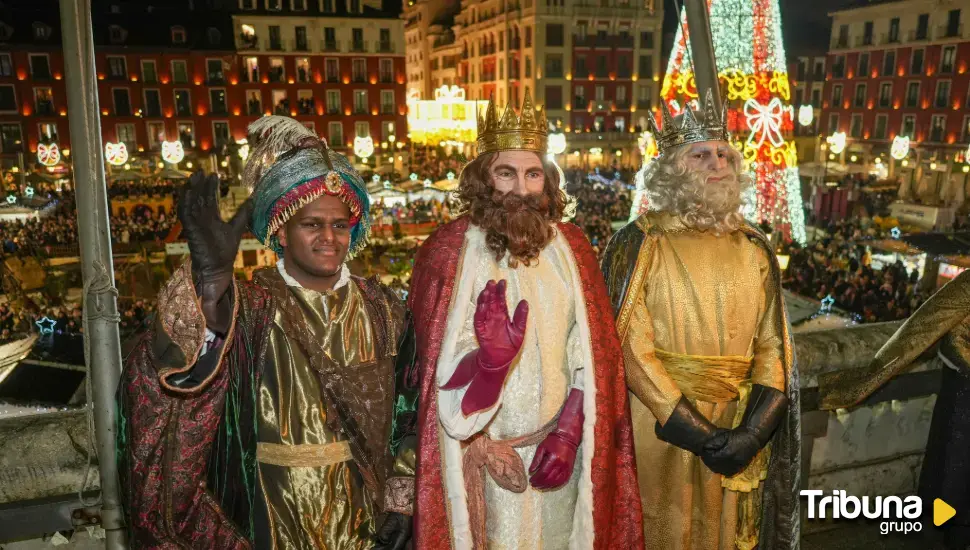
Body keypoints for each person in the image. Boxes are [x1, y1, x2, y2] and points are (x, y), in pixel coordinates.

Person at [117, 116, 417, 549]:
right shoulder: (251, 307)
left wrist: (402, 498)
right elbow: (172, 365)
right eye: (312, 224)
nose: (329, 237)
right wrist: (210, 280)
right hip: (275, 512)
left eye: (339, 224)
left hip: (367, 511)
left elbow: (414, 405)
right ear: (280, 229)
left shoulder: (385, 309)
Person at [408, 91, 643, 549]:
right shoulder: (447, 252)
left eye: (532, 173)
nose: (520, 188)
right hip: (483, 463)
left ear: (547, 181)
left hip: (559, 457)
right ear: (483, 179)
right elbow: (428, 378)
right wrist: (490, 366)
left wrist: (571, 432)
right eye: (505, 172)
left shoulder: (572, 249)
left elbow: (592, 356)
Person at [601, 91, 800, 550]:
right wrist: (699, 431)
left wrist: (750, 434)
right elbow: (629, 346)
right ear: (673, 168)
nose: (718, 164)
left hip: (737, 422)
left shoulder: (755, 247)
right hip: (658, 424)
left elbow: (774, 346)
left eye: (724, 155)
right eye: (701, 155)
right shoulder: (639, 241)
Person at [818, 269, 970, 548]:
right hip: (962, 395)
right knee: (953, 476)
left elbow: (921, 330)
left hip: (962, 395)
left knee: (954, 477)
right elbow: (920, 330)